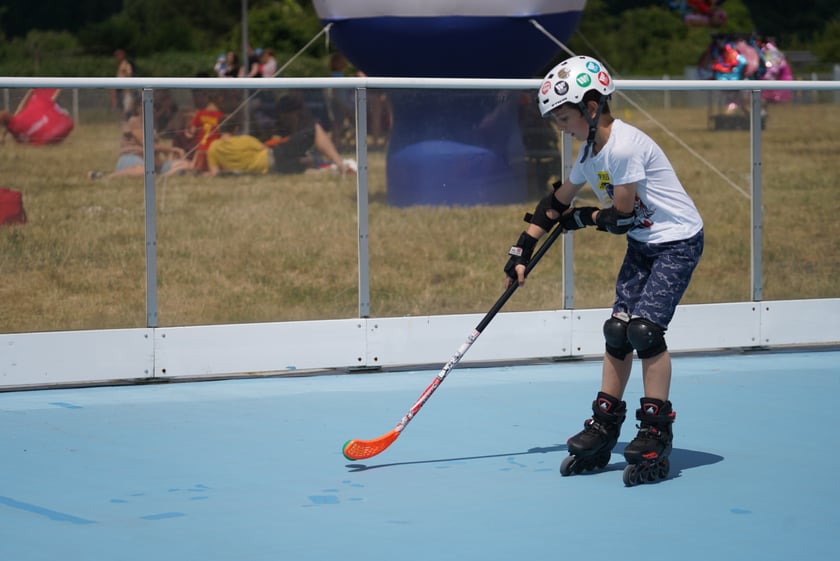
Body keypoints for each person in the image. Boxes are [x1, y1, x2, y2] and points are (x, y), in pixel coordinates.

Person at [503, 56, 704, 486]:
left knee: (645, 332)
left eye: (565, 117)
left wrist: (585, 218)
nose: (561, 126)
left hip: (677, 242)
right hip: (645, 244)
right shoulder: (590, 152)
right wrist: (522, 247)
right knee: (617, 329)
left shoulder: (624, 146)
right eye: (557, 119)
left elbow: (624, 215)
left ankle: (654, 430)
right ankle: (604, 424)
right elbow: (557, 201)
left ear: (592, 109)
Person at [206, 94, 354, 177]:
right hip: (272, 159)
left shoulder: (213, 148)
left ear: (219, 130)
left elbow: (215, 173)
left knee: (306, 164)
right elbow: (263, 148)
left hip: (273, 170)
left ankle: (326, 167)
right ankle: (340, 165)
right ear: (236, 129)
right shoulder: (244, 140)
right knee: (314, 129)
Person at [89, 94, 191, 180]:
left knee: (186, 165)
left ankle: (162, 176)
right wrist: (173, 149)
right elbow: (148, 145)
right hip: (132, 158)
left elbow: (156, 150)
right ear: (138, 107)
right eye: (146, 104)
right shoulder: (134, 121)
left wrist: (170, 156)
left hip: (151, 163)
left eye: (154, 106)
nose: (151, 109)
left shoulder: (152, 125)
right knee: (145, 171)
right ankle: (107, 177)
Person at [112, 48, 136, 121]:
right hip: (120, 91)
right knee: (121, 110)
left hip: (126, 91)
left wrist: (127, 91)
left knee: (127, 110)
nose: (116, 57)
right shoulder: (120, 65)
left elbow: (129, 77)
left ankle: (129, 126)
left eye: (118, 55)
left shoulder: (126, 65)